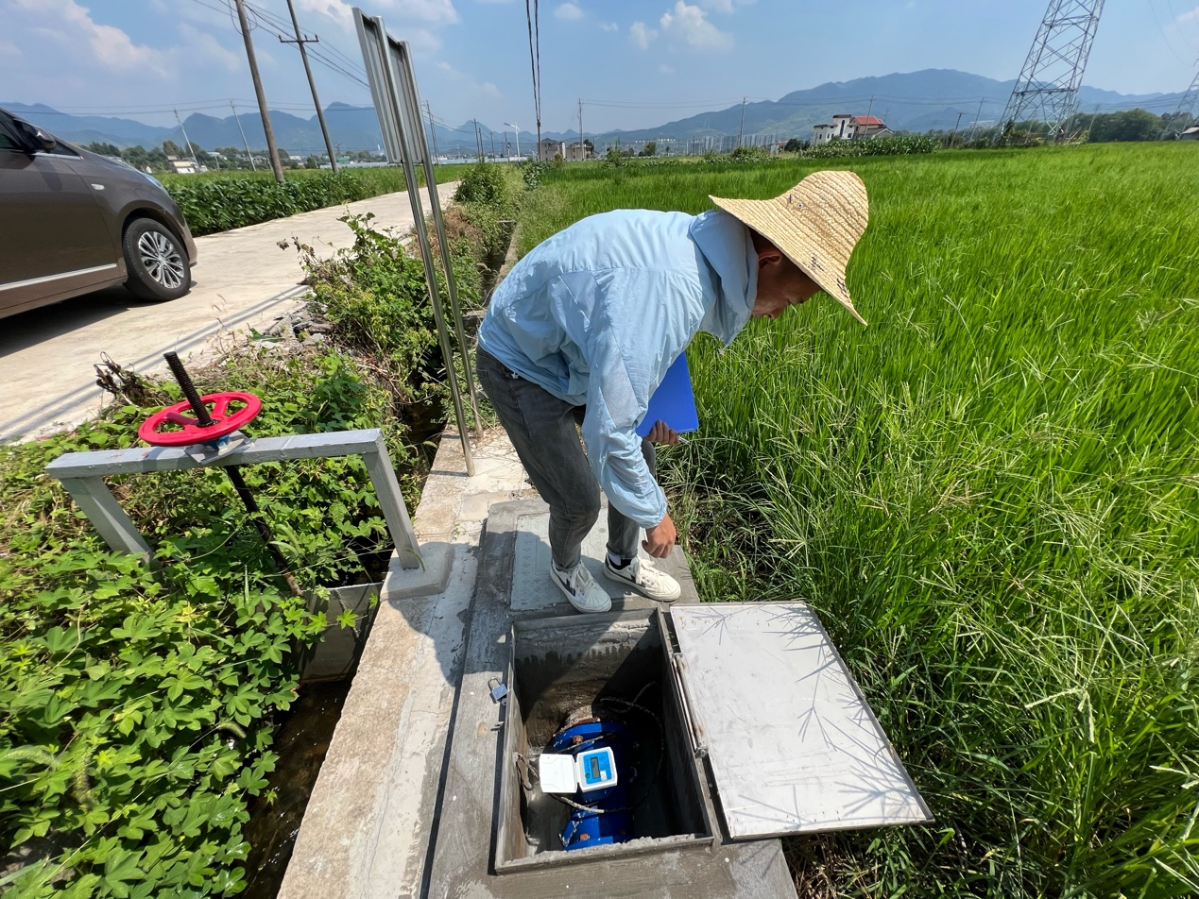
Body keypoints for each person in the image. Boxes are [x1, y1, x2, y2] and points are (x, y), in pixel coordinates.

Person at [476, 170, 869, 613]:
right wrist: (655, 514)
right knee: (578, 499)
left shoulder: (706, 255)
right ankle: (565, 567)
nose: (778, 315)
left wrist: (655, 407)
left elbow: (638, 342)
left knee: (642, 450)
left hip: (572, 346)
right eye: (789, 302)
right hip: (520, 358)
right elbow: (609, 431)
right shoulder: (673, 285)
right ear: (769, 260)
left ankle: (621, 562)